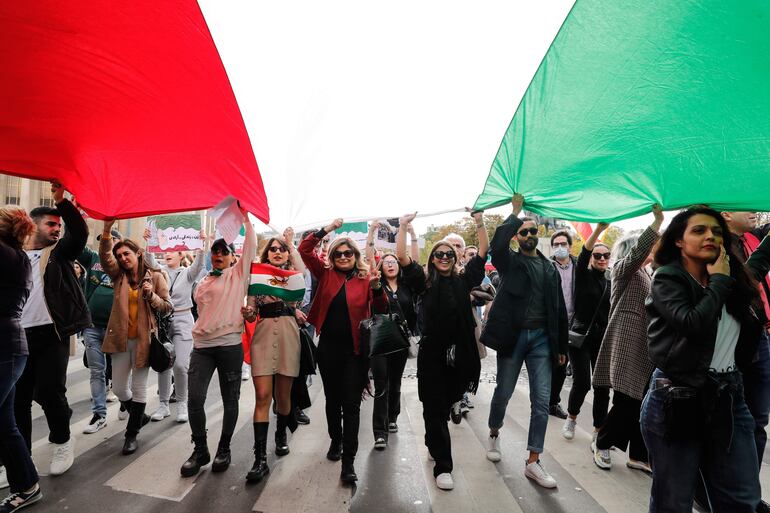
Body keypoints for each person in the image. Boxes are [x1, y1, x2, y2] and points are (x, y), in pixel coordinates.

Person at [641, 207, 766, 513]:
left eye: (716, 231)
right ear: (679, 241)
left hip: (730, 398)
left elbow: (761, 261)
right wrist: (719, 282)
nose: (710, 235)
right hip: (677, 398)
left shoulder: (733, 276)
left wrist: (726, 279)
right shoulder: (668, 278)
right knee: (674, 502)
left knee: (742, 501)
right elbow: (692, 322)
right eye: (698, 230)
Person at [395, 210, 487, 490]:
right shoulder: (423, 282)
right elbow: (402, 258)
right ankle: (443, 466)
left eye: (449, 254)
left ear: (457, 258)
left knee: (444, 406)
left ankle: (433, 440)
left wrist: (479, 221)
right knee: (433, 408)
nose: (445, 257)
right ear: (433, 258)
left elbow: (483, 251)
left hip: (460, 355)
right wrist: (402, 226)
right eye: (439, 254)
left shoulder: (464, 280)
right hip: (432, 355)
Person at [481, 194, 567, 489]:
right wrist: (515, 213)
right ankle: (494, 431)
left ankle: (533, 460)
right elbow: (497, 245)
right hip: (514, 338)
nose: (529, 234)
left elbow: (559, 311)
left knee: (541, 401)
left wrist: (562, 348)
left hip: (542, 340)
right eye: (524, 231)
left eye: (533, 231)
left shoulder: (549, 268)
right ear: (517, 236)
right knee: (503, 392)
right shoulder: (510, 262)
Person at [298, 219, 385, 485]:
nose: (344, 256)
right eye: (339, 253)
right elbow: (304, 250)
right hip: (328, 350)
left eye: (348, 253)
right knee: (333, 401)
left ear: (355, 256)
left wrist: (378, 289)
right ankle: (336, 440)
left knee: (352, 405)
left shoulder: (367, 278)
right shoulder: (325, 274)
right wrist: (326, 230)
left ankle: (349, 462)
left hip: (356, 352)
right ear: (332, 256)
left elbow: (380, 311)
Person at [15, 182, 91, 476]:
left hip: (52, 334)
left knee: (49, 392)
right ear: (33, 226)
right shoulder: (14, 255)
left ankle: (62, 441)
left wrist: (62, 202)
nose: (57, 229)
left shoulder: (58, 254)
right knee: (18, 400)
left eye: (59, 225)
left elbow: (80, 234)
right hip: (18, 337)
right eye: (51, 224)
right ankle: (19, 459)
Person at [180, 207, 256, 478]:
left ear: (233, 257)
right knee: (195, 399)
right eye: (216, 251)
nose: (219, 255)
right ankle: (200, 449)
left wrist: (245, 218)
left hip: (229, 347)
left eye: (224, 251)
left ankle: (224, 447)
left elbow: (251, 246)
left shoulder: (237, 275)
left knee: (230, 399)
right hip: (202, 347)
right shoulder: (202, 282)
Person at [591, 205, 663, 472]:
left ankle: (638, 456)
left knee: (641, 401)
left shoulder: (648, 275)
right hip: (624, 346)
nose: (652, 251)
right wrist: (656, 224)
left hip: (643, 348)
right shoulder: (623, 269)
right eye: (649, 247)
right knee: (626, 402)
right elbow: (637, 254)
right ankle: (602, 442)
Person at [99, 220, 172, 455]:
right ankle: (139, 416)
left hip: (144, 342)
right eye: (119, 255)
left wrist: (151, 297)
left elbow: (167, 307)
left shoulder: (156, 277)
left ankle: (131, 435)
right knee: (120, 389)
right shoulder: (118, 276)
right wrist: (107, 232)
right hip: (120, 340)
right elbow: (105, 259)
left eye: (126, 254)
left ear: (138, 253)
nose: (122, 258)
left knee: (139, 388)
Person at [242, 229, 306, 483]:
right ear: (267, 253)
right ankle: (260, 459)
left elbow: (303, 268)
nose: (277, 252)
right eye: (273, 248)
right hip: (264, 334)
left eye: (282, 249)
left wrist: (292, 243)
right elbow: (250, 310)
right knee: (261, 396)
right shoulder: (258, 276)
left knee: (283, 397)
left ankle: (281, 432)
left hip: (289, 334)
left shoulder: (294, 276)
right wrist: (247, 312)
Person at [719, 211, 770, 513]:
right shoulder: (716, 248)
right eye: (745, 205)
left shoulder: (749, 240)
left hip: (759, 338)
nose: (753, 211)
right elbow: (743, 283)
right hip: (734, 345)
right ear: (726, 214)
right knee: (737, 422)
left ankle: (748, 493)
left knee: (758, 421)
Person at [0, 207, 42, 512]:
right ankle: (27, 485)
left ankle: (26, 485)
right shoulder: (15, 256)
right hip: (9, 346)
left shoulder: (7, 255)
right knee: (4, 423)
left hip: (5, 347)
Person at [144, 233, 209, 424]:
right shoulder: (159, 270)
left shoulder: (187, 273)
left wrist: (201, 244)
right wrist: (149, 242)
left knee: (181, 365)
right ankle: (163, 405)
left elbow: (199, 265)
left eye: (174, 251)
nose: (168, 254)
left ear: (182, 255)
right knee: (163, 364)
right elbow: (148, 261)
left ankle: (182, 402)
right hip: (163, 322)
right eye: (167, 251)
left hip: (183, 319)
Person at [562, 223, 611, 446]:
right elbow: (584, 253)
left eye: (606, 255)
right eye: (598, 255)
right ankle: (572, 417)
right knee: (582, 382)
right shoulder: (582, 274)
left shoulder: (611, 280)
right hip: (580, 337)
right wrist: (599, 231)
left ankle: (598, 431)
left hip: (603, 339)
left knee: (602, 386)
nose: (602, 259)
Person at [77, 227, 124, 435]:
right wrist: (74, 217)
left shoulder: (124, 260)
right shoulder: (93, 258)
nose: (106, 242)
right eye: (103, 239)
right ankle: (99, 414)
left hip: (117, 328)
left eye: (111, 239)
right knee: (97, 371)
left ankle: (126, 401)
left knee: (122, 372)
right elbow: (76, 244)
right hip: (93, 327)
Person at [548, 230, 577, 419]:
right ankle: (545, 400)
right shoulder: (547, 266)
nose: (560, 248)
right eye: (556, 244)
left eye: (563, 244)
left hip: (573, 322)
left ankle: (553, 402)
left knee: (563, 363)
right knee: (550, 363)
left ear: (569, 245)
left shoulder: (579, 266)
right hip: (552, 322)